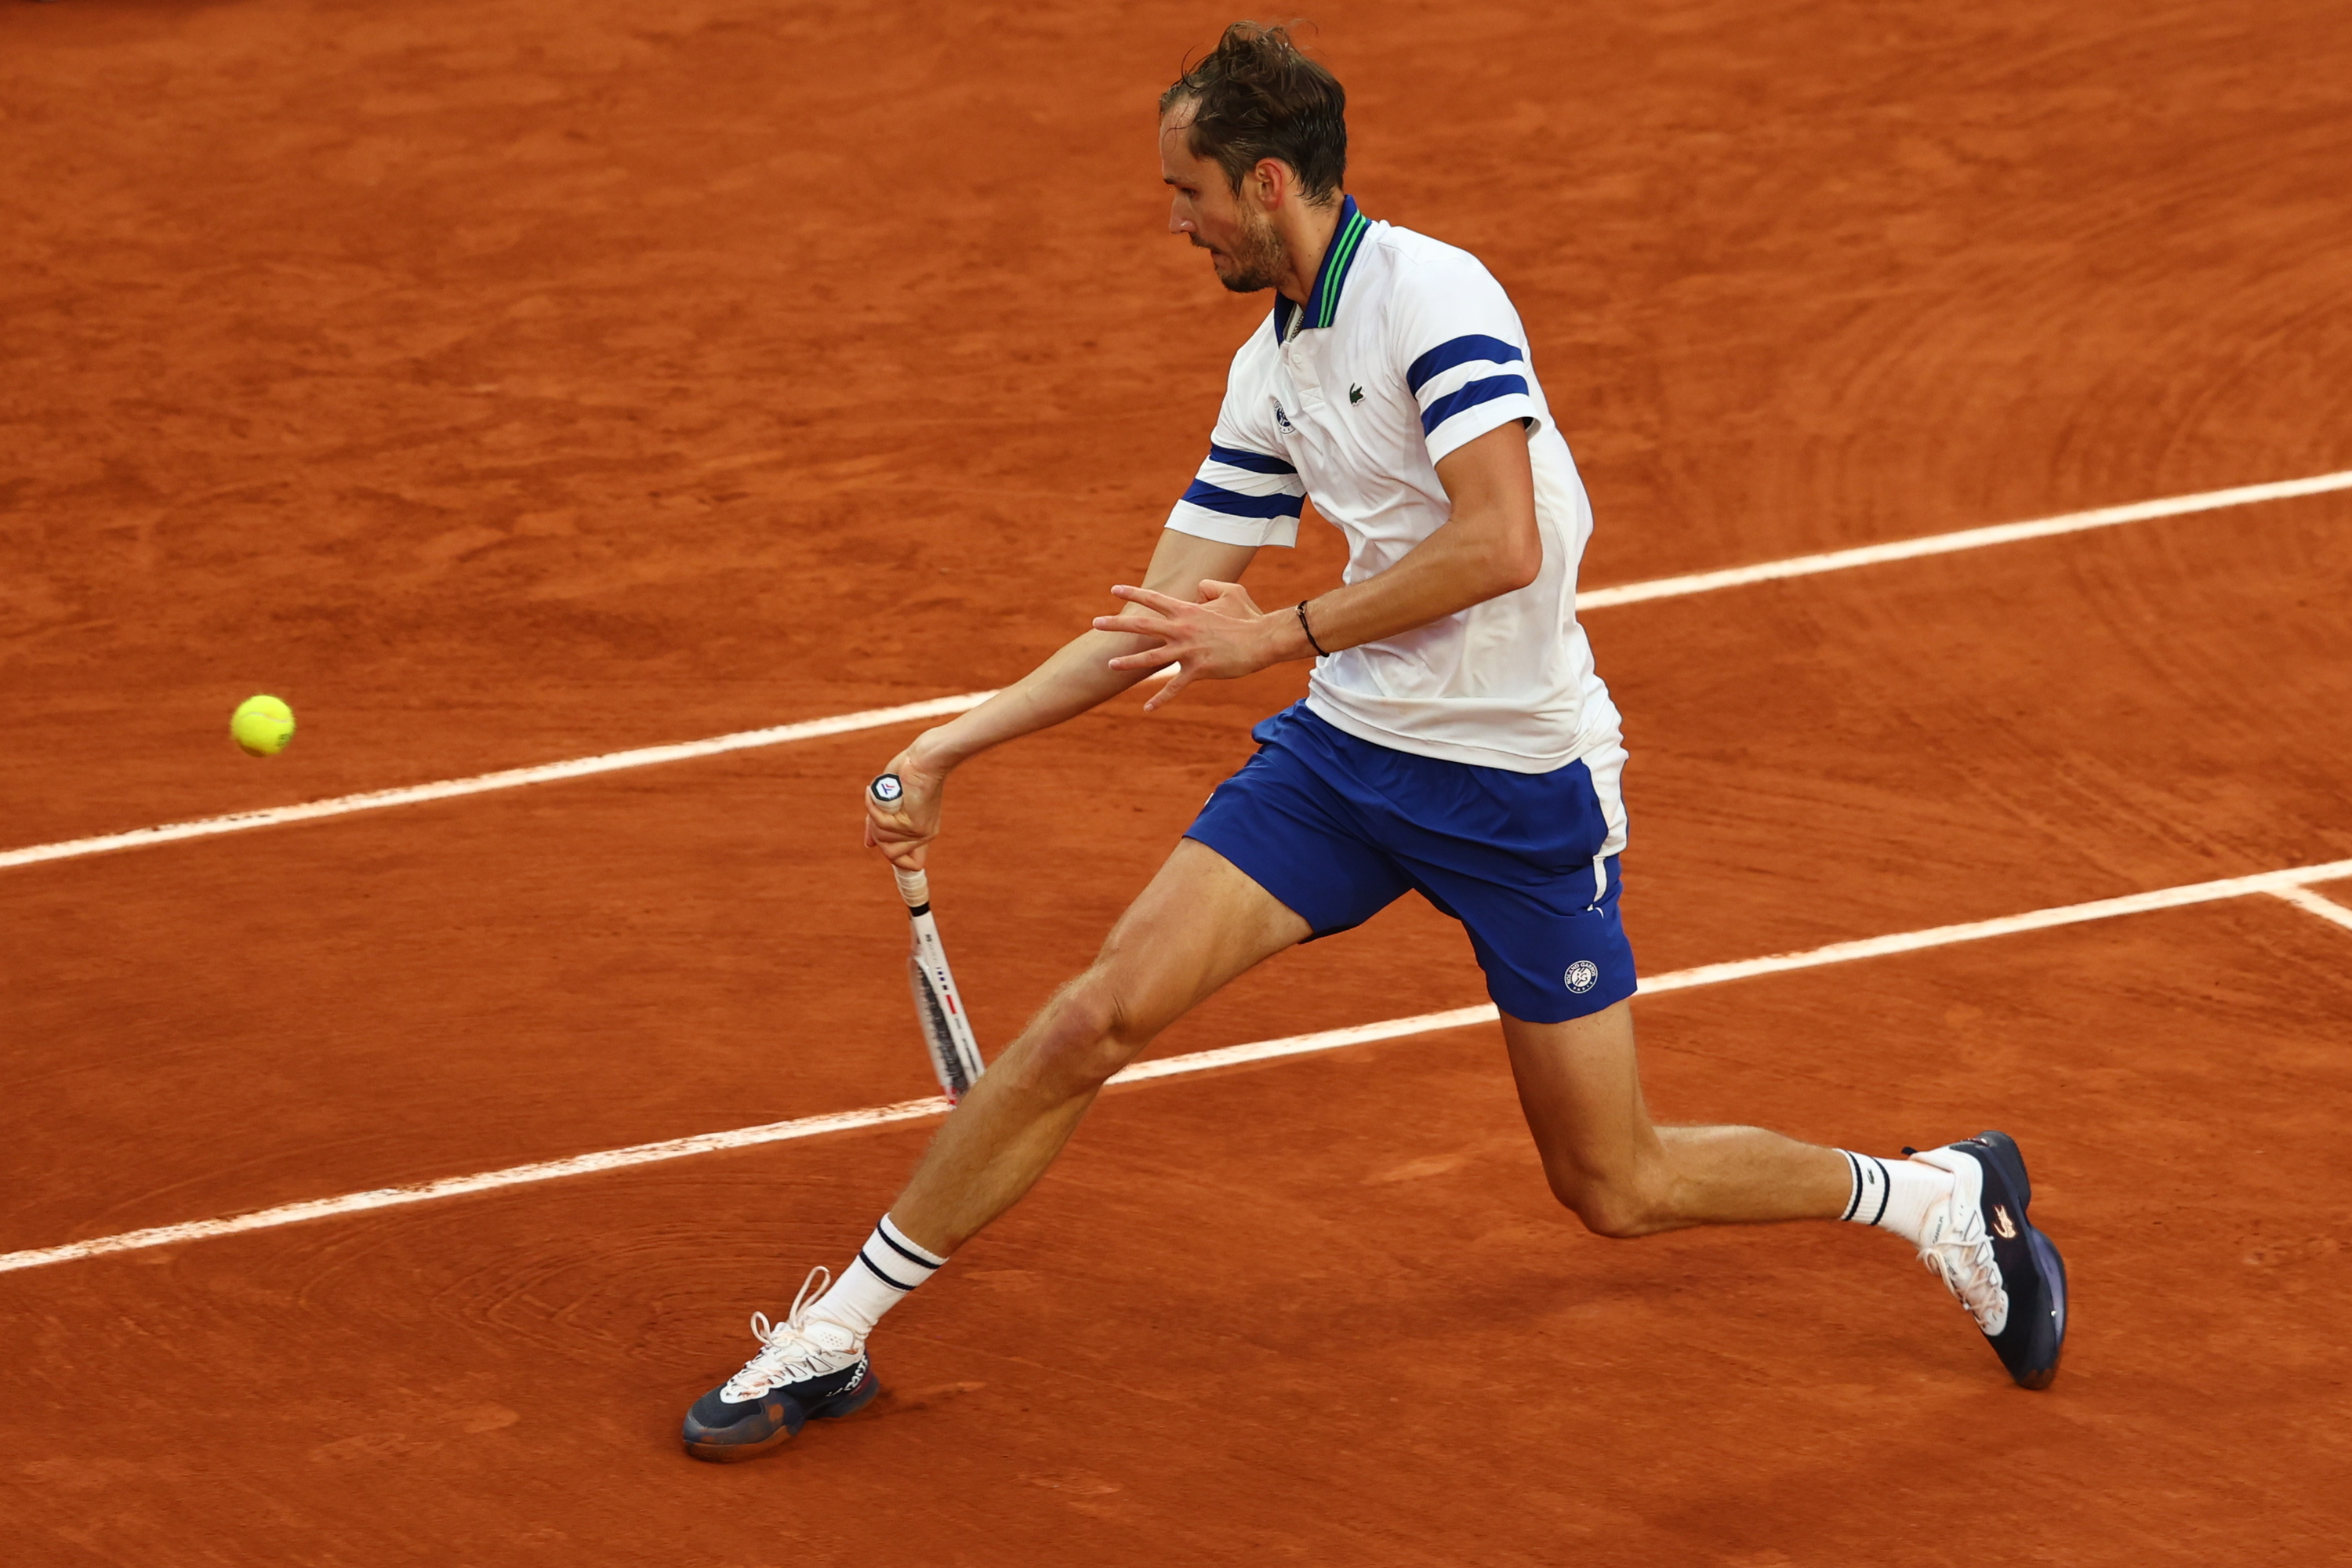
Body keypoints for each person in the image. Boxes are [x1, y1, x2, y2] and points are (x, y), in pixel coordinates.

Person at [681, 21, 2067, 1463]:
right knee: (1094, 1016)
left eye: (1190, 192)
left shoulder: (1435, 297)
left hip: (1523, 789)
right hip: (1346, 767)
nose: (1175, 220)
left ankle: (1934, 1198)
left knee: (1615, 1184)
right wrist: (951, 744)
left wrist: (1275, 638)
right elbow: (1161, 618)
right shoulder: (1272, 367)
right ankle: (831, 1334)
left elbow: (1502, 541)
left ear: (1266, 184)